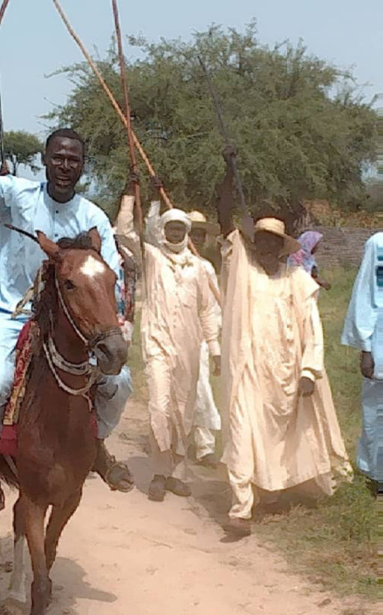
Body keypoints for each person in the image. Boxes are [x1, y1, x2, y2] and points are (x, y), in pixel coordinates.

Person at [0, 70, 133, 510]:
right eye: (58, 158)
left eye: (74, 160)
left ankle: (97, 449)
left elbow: (112, 276)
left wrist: (111, 322)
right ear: (45, 161)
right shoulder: (16, 196)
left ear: (83, 166)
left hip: (71, 327)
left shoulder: (93, 217)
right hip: (10, 316)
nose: (66, 166)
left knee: (119, 383)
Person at [216, 148, 351, 537]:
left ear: (283, 247)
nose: (266, 248)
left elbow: (313, 330)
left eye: (274, 242)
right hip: (247, 372)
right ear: (254, 242)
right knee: (242, 432)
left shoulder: (296, 280)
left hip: (287, 376)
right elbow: (227, 221)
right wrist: (228, 174)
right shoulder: (242, 271)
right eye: (260, 240)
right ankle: (240, 509)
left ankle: (272, 489)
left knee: (282, 437)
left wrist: (310, 370)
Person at [116, 177, 221, 502]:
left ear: (186, 232)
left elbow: (209, 311)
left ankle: (175, 472)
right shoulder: (152, 259)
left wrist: (215, 349)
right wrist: (135, 198)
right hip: (159, 346)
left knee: (182, 412)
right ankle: (159, 473)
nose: (175, 233)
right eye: (170, 227)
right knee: (159, 409)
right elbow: (125, 233)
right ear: (163, 231)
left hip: (190, 350)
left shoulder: (200, 268)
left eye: (180, 228)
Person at [341, 233, 382, 491]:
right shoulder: (379, 244)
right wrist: (366, 347)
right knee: (377, 411)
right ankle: (376, 472)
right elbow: (368, 293)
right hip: (381, 340)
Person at [188, 210, 223, 467]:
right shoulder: (166, 262)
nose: (196, 238)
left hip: (197, 336)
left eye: (200, 234)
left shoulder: (206, 267)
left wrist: (214, 346)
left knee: (201, 389)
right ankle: (174, 444)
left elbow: (212, 308)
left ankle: (204, 445)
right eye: (193, 233)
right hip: (169, 337)